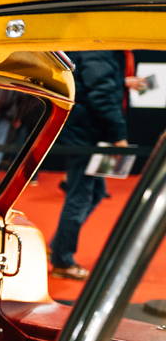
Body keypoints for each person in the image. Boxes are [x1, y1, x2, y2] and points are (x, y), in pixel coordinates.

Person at [49, 51, 137, 280]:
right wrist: (120, 137)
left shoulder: (102, 49)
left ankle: (58, 246)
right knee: (81, 197)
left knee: (96, 193)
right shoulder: (102, 50)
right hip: (87, 136)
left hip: (89, 134)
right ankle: (62, 260)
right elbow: (102, 95)